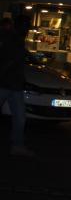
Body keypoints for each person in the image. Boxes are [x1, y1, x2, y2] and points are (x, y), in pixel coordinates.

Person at [0, 17, 33, 156]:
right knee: (19, 117)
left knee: (20, 117)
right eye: (24, 28)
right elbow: (11, 61)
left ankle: (17, 145)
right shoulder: (11, 39)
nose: (26, 31)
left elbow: (18, 59)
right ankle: (17, 145)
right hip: (5, 84)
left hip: (14, 85)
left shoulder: (17, 40)